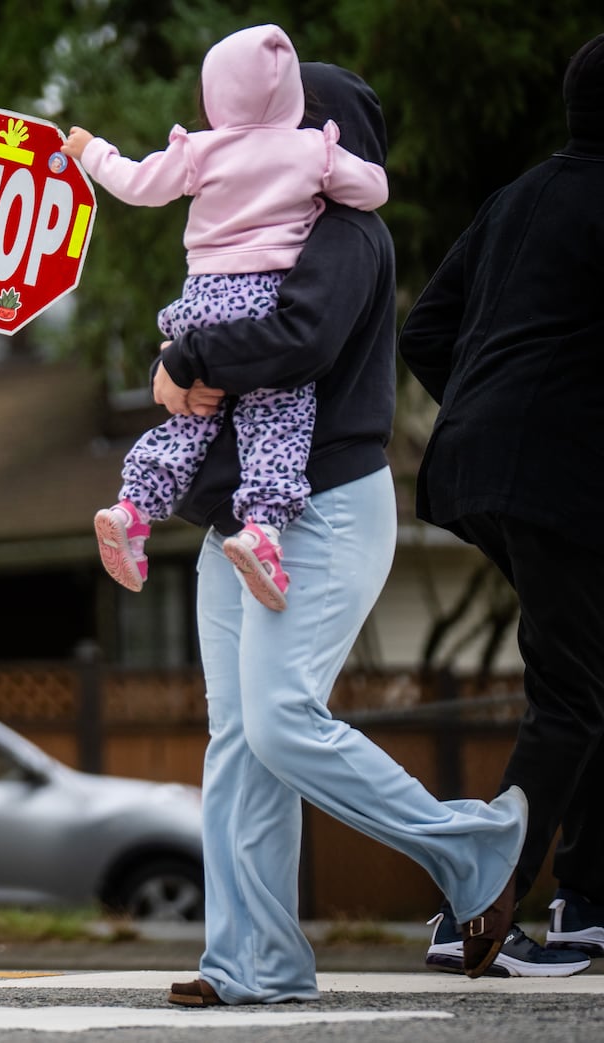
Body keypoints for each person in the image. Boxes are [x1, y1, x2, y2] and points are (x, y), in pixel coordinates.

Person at [151, 62, 527, 1006]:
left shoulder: (347, 232)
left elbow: (298, 339)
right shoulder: (257, 226)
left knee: (280, 718)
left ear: (320, 136)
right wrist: (175, 361)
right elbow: (223, 329)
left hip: (323, 511)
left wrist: (183, 356)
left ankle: (474, 846)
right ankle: (255, 963)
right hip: (235, 522)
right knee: (238, 740)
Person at [398, 32, 604, 978]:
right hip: (556, 475)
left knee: (589, 678)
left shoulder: (517, 195)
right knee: (570, 694)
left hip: (481, 462)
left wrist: (487, 408)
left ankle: (589, 903)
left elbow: (428, 329)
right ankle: (471, 911)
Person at [61, 24, 387, 610]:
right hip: (263, 296)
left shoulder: (198, 148)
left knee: (191, 418)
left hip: (201, 298)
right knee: (278, 415)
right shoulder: (312, 153)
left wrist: (92, 153)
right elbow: (372, 189)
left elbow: (137, 184)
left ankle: (133, 508)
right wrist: (333, 159)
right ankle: (263, 527)